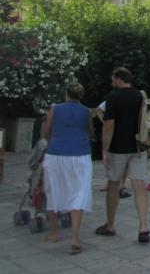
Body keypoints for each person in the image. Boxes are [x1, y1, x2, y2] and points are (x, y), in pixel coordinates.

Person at [95, 67, 150, 244]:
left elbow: (109, 125)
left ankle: (110, 225)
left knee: (113, 184)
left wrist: (104, 150)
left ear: (119, 80)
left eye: (113, 79)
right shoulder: (140, 96)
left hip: (118, 147)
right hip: (138, 146)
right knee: (139, 185)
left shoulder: (113, 96)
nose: (112, 82)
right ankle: (143, 227)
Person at [42, 83, 93, 255]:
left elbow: (46, 132)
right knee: (79, 193)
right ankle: (74, 237)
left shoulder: (55, 109)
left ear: (66, 94)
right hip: (80, 154)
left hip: (56, 152)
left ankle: (54, 233)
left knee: (53, 190)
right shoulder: (86, 111)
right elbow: (90, 132)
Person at [94, 106, 131, 198]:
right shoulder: (112, 100)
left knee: (121, 160)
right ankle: (116, 184)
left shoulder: (114, 101)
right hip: (119, 133)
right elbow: (98, 110)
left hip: (121, 132)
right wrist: (105, 121)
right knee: (116, 159)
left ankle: (119, 184)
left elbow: (98, 110)